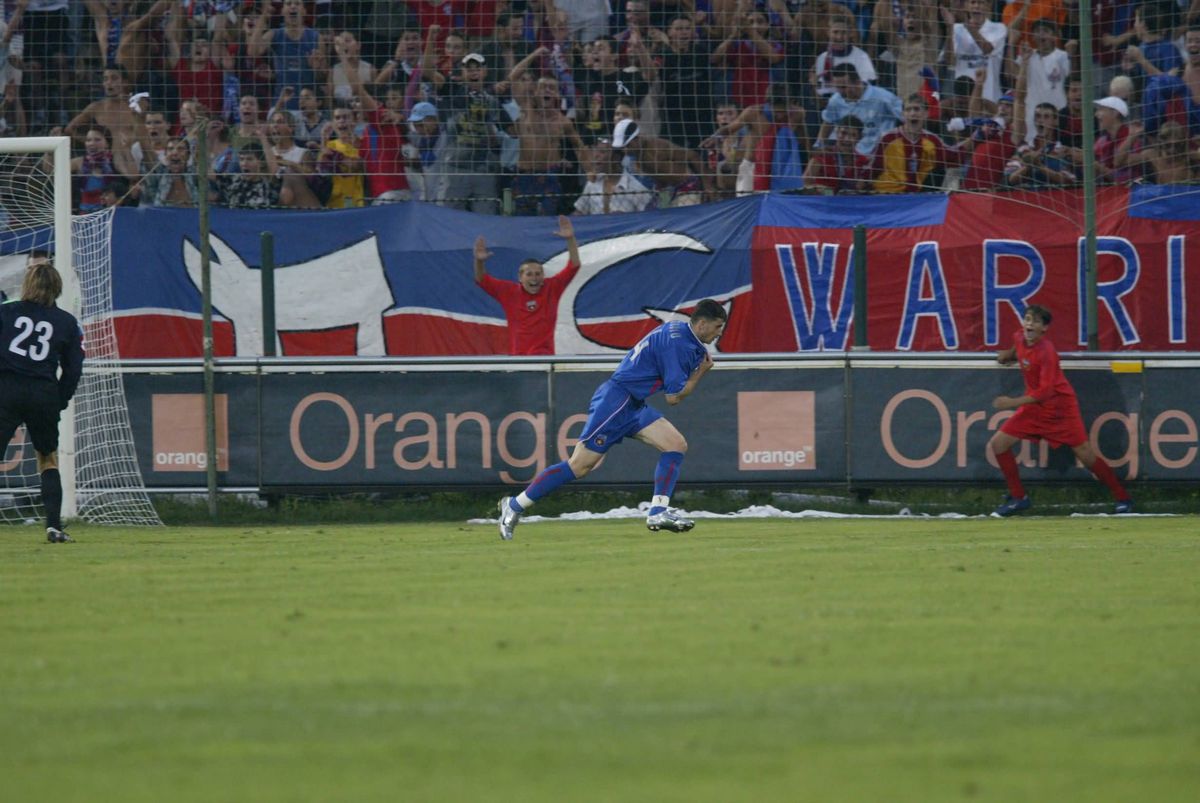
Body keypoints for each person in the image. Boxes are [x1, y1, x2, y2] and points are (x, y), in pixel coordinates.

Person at [497, 299, 728, 540]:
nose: (719, 332)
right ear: (702, 324)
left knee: (675, 444)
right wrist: (699, 374)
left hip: (634, 403)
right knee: (579, 466)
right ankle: (514, 506)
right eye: (717, 326)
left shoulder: (680, 331)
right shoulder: (679, 344)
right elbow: (674, 397)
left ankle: (658, 511)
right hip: (617, 402)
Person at [988, 305, 1134, 517]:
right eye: (1027, 319)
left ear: (1044, 328)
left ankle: (1123, 498)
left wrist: (1010, 403)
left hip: (1060, 408)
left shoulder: (1047, 352)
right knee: (998, 444)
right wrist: (1007, 355)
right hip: (1034, 408)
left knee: (1085, 454)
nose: (1029, 324)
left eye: (1036, 321)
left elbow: (1045, 392)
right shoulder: (1019, 336)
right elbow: (1016, 349)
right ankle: (1019, 498)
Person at [0, 260, 85, 543]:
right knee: (47, 458)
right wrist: (59, 399)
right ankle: (53, 527)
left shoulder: (6, 312)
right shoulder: (67, 322)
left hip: (7, 391)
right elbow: (73, 368)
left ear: (27, 285)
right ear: (57, 288)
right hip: (43, 394)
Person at [474, 215, 581, 356]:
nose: (534, 278)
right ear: (520, 277)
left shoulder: (552, 288)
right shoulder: (509, 292)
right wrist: (479, 261)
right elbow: (481, 279)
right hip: (518, 360)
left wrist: (570, 239)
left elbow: (574, 265)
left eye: (538, 274)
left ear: (543, 276)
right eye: (529, 274)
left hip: (545, 359)